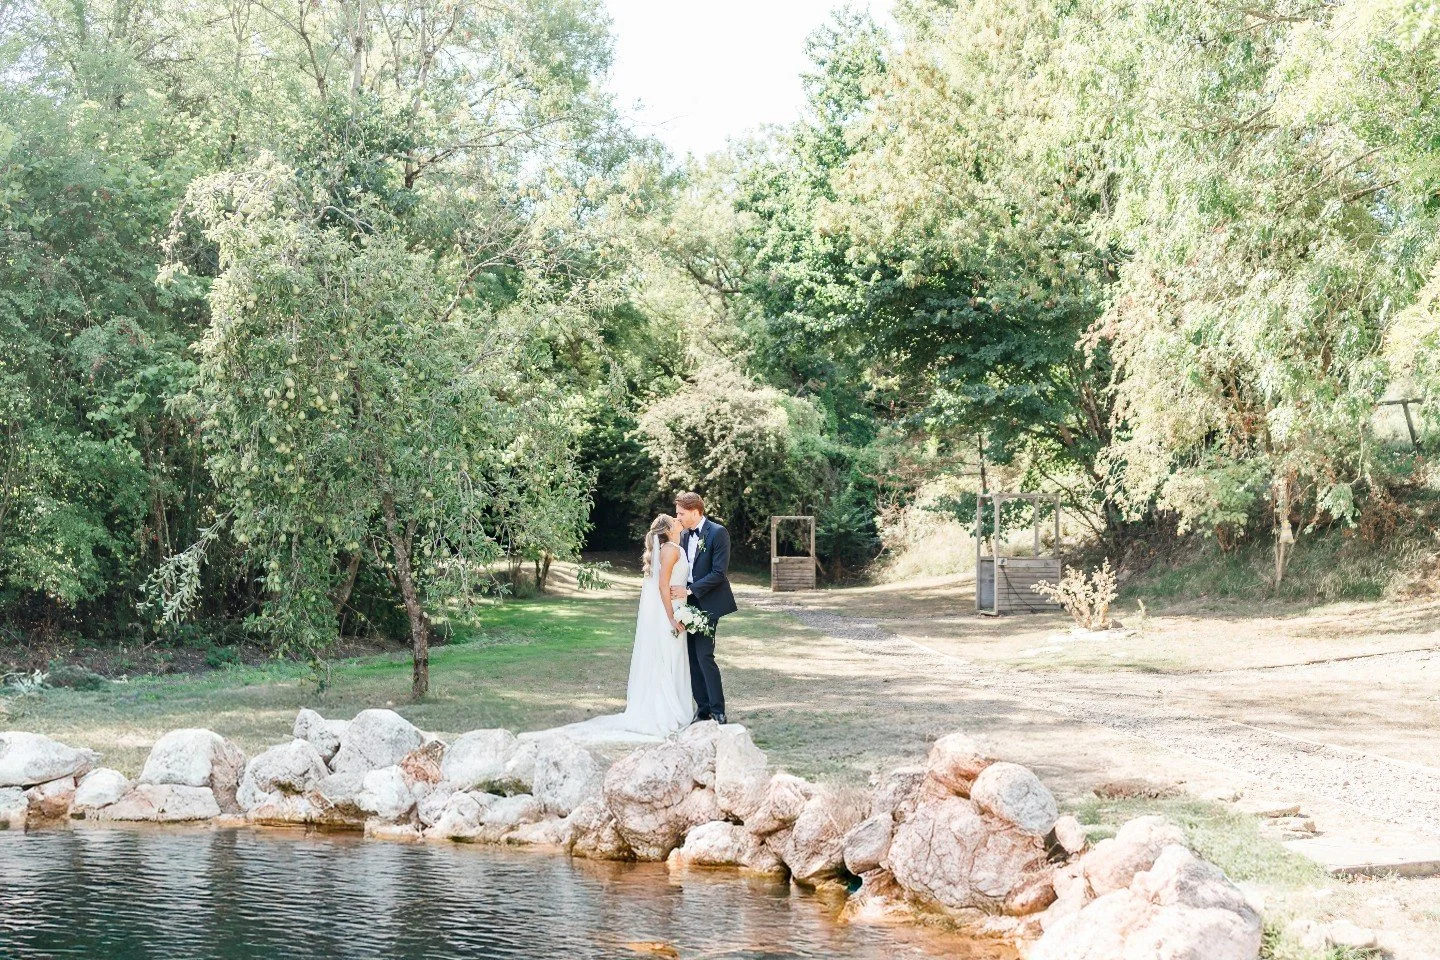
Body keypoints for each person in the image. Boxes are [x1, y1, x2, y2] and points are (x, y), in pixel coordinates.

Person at [548, 514, 694, 742]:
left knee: (673, 658)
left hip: (679, 609)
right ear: (668, 529)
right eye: (673, 520)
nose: (678, 520)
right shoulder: (670, 550)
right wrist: (671, 617)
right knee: (665, 659)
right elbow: (662, 586)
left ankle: (673, 706)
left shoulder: (675, 547)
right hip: (671, 613)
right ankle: (664, 711)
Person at [671, 491, 737, 725]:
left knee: (704, 655)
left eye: (680, 513)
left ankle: (718, 709)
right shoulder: (684, 535)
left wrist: (689, 591)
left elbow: (719, 573)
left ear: (695, 511)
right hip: (685, 604)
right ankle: (703, 708)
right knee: (691, 656)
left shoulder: (718, 533)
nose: (677, 517)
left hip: (707, 602)